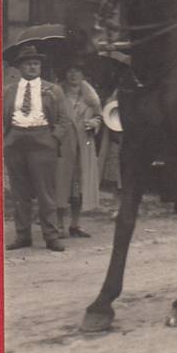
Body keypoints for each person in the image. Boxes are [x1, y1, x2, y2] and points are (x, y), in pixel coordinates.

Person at [3, 45, 72, 251]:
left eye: (36, 64)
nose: (32, 68)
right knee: (19, 192)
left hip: (42, 142)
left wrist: (53, 139)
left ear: (40, 66)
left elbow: (64, 119)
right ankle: (23, 236)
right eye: (28, 64)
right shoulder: (9, 90)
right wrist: (5, 138)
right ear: (19, 67)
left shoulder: (52, 90)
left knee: (45, 192)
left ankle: (51, 236)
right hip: (15, 141)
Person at [55, 61, 103, 238]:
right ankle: (59, 225)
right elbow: (50, 117)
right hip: (63, 147)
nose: (74, 75)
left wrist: (94, 123)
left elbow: (100, 116)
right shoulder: (56, 95)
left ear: (83, 75)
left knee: (79, 186)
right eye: (70, 71)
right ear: (64, 74)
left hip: (84, 146)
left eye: (77, 71)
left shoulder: (91, 98)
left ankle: (75, 224)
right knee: (60, 185)